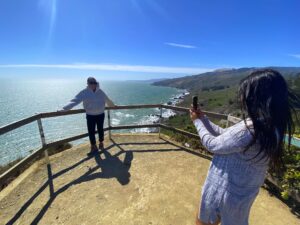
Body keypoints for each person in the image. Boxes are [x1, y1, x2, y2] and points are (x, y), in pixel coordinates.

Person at [190, 69, 299, 225]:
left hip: (223, 190)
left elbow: (212, 144)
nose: (242, 98)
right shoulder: (271, 126)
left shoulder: (250, 128)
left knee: (203, 222)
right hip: (244, 192)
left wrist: (196, 122)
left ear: (258, 97)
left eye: (246, 94)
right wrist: (204, 119)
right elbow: (226, 136)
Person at [62, 77, 116, 154]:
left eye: (94, 83)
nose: (93, 84)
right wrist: (64, 109)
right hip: (90, 115)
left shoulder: (100, 92)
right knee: (91, 131)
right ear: (88, 84)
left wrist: (113, 106)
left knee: (100, 129)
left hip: (100, 114)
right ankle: (93, 146)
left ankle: (101, 143)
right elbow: (75, 101)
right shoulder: (84, 92)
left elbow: (107, 100)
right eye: (91, 83)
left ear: (96, 83)